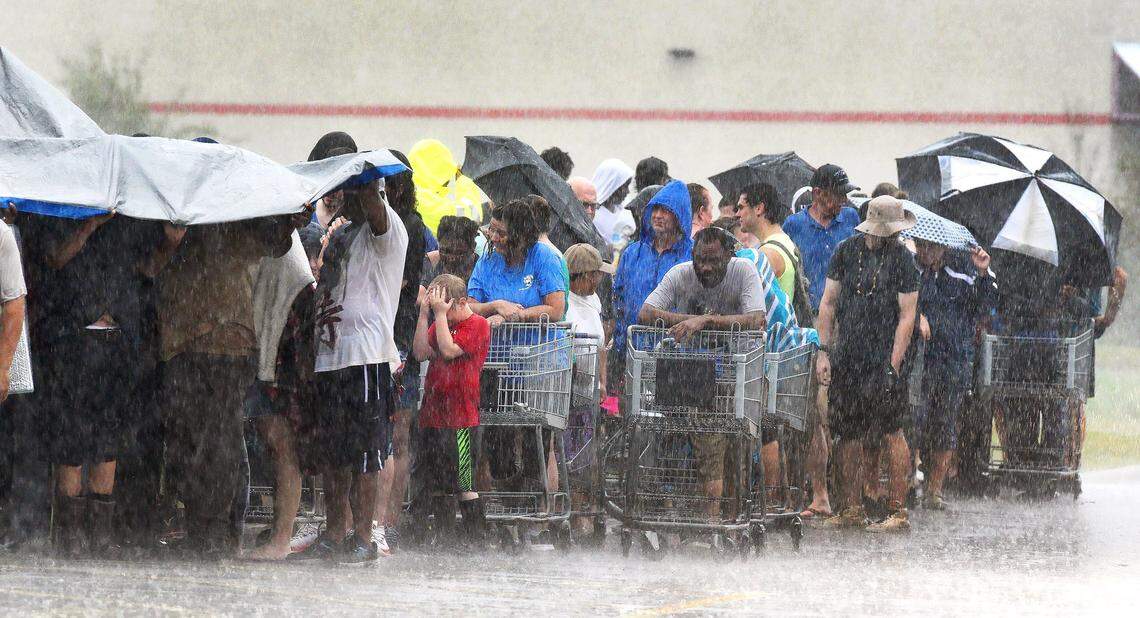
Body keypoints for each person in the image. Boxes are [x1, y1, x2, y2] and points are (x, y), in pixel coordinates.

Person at [294, 169, 408, 565]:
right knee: (333, 454)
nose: (347, 197)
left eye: (356, 191)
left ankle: (363, 537)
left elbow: (375, 210)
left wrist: (365, 186)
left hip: (365, 356)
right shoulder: (341, 232)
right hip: (330, 356)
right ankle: (333, 532)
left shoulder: (386, 226)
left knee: (364, 452)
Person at [639, 228, 765, 520]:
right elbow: (646, 312)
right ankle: (699, 514)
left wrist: (706, 320)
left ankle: (727, 517)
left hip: (737, 373)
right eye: (700, 260)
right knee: (691, 441)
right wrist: (689, 321)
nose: (705, 267)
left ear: (729, 256)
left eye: (713, 261)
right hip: (691, 371)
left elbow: (757, 318)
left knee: (732, 446)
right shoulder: (681, 274)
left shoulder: (744, 271)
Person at [815, 196, 919, 532]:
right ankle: (852, 508)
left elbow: (907, 317)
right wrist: (824, 350)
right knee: (848, 432)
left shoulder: (904, 260)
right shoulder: (846, 252)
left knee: (892, 430)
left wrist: (893, 364)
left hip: (885, 357)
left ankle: (897, 511)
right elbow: (828, 303)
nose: (884, 238)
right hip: (849, 355)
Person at [243, 213, 319, 561]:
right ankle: (279, 532)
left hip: (280, 364)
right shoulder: (282, 248)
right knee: (277, 446)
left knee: (282, 446)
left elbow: (293, 324)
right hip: (276, 361)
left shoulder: (289, 259)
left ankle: (281, 537)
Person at [913, 239, 996, 510]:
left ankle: (935, 490)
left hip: (954, 363)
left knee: (945, 423)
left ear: (943, 248)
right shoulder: (913, 272)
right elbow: (902, 304)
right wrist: (918, 316)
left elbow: (985, 306)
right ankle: (907, 484)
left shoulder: (962, 275)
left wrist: (983, 273)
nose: (926, 252)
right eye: (921, 246)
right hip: (921, 362)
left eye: (931, 247)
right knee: (916, 421)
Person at [373, 149, 428, 553]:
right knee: (387, 432)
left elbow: (403, 283)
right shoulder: (377, 223)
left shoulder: (408, 225)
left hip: (398, 335)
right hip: (384, 332)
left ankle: (389, 518)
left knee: (398, 430)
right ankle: (379, 518)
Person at [410, 274, 491, 546]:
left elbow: (447, 350)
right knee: (434, 482)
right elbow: (421, 352)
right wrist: (424, 316)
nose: (439, 311)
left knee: (464, 484)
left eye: (443, 306)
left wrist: (440, 315)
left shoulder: (477, 324)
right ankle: (438, 537)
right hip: (434, 416)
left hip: (462, 420)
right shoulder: (441, 322)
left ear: (461, 302)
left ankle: (474, 539)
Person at [611, 180, 692, 399]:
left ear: (680, 215)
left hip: (676, 358)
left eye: (666, 210)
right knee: (633, 422)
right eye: (655, 209)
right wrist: (618, 350)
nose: (657, 215)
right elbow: (618, 302)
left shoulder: (692, 256)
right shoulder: (632, 253)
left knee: (670, 423)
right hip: (634, 353)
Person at [467, 199, 567, 325]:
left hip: (537, 342)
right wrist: (496, 306)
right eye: (491, 229)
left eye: (501, 234)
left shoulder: (544, 256)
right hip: (498, 343)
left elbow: (556, 310)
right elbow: (469, 307)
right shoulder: (487, 260)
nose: (493, 238)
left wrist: (514, 315)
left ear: (521, 236)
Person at [783, 164, 861, 311]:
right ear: (818, 193)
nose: (844, 200)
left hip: (847, 314)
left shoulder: (851, 218)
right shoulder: (793, 225)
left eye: (845, 194)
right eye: (839, 194)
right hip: (810, 315)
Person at [409, 138, 484, 233]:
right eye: (447, 178)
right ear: (438, 173)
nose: (447, 183)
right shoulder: (422, 199)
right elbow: (472, 218)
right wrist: (464, 181)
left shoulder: (409, 192)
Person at [422, 215, 481, 286]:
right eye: (445, 251)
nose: (451, 258)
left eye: (459, 253)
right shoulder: (431, 262)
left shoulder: (483, 269)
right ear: (438, 244)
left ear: (473, 248)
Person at [591, 158, 636, 250]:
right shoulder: (592, 214)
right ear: (612, 185)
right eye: (625, 186)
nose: (627, 191)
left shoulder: (624, 212)